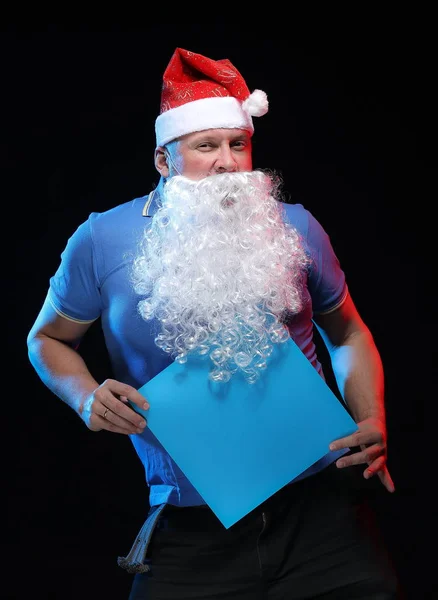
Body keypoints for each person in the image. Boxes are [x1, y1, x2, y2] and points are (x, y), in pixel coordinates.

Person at [27, 47, 403, 599]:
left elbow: (348, 333)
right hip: (193, 526)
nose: (227, 162)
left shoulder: (294, 226)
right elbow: (47, 340)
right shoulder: (101, 240)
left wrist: (372, 419)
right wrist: (85, 398)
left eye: (238, 144)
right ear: (164, 159)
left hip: (320, 511)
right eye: (206, 146)